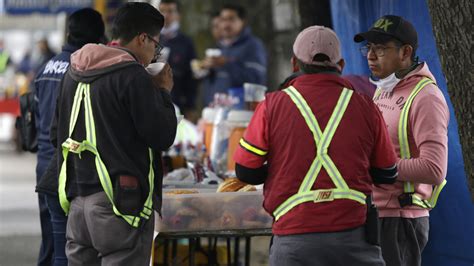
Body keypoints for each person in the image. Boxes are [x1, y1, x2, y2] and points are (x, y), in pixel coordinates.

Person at [234, 25, 399, 265]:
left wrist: (281, 168)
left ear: (294, 64)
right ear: (340, 66)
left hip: (293, 240)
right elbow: (387, 173)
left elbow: (245, 171)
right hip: (354, 240)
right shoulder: (365, 106)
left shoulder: (271, 105)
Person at [51, 2, 177, 265]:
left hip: (77, 199)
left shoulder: (73, 71)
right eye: (156, 44)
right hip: (120, 203)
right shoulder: (133, 76)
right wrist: (163, 91)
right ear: (143, 38)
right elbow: (162, 135)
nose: (155, 52)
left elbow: (56, 134)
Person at [354, 15, 449, 266]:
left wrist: (379, 167)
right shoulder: (384, 87)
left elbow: (434, 169)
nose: (371, 56)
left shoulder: (426, 97)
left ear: (406, 52)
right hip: (377, 213)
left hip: (401, 218)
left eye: (381, 49)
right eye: (369, 48)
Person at [33, 8, 105, 266]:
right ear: (99, 36)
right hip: (66, 166)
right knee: (67, 246)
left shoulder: (46, 67)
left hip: (44, 162)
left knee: (50, 240)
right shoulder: (81, 70)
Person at [201, 4, 267, 105]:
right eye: (223, 20)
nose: (226, 25)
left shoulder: (253, 45)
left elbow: (256, 79)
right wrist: (204, 70)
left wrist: (226, 63)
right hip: (215, 111)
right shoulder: (219, 46)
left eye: (231, 19)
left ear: (243, 21)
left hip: (243, 113)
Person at [157, 0, 198, 119]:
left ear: (178, 15)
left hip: (178, 102)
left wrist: (191, 106)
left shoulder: (186, 43)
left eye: (170, 11)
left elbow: (191, 76)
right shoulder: (151, 39)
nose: (165, 15)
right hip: (153, 100)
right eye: (162, 11)